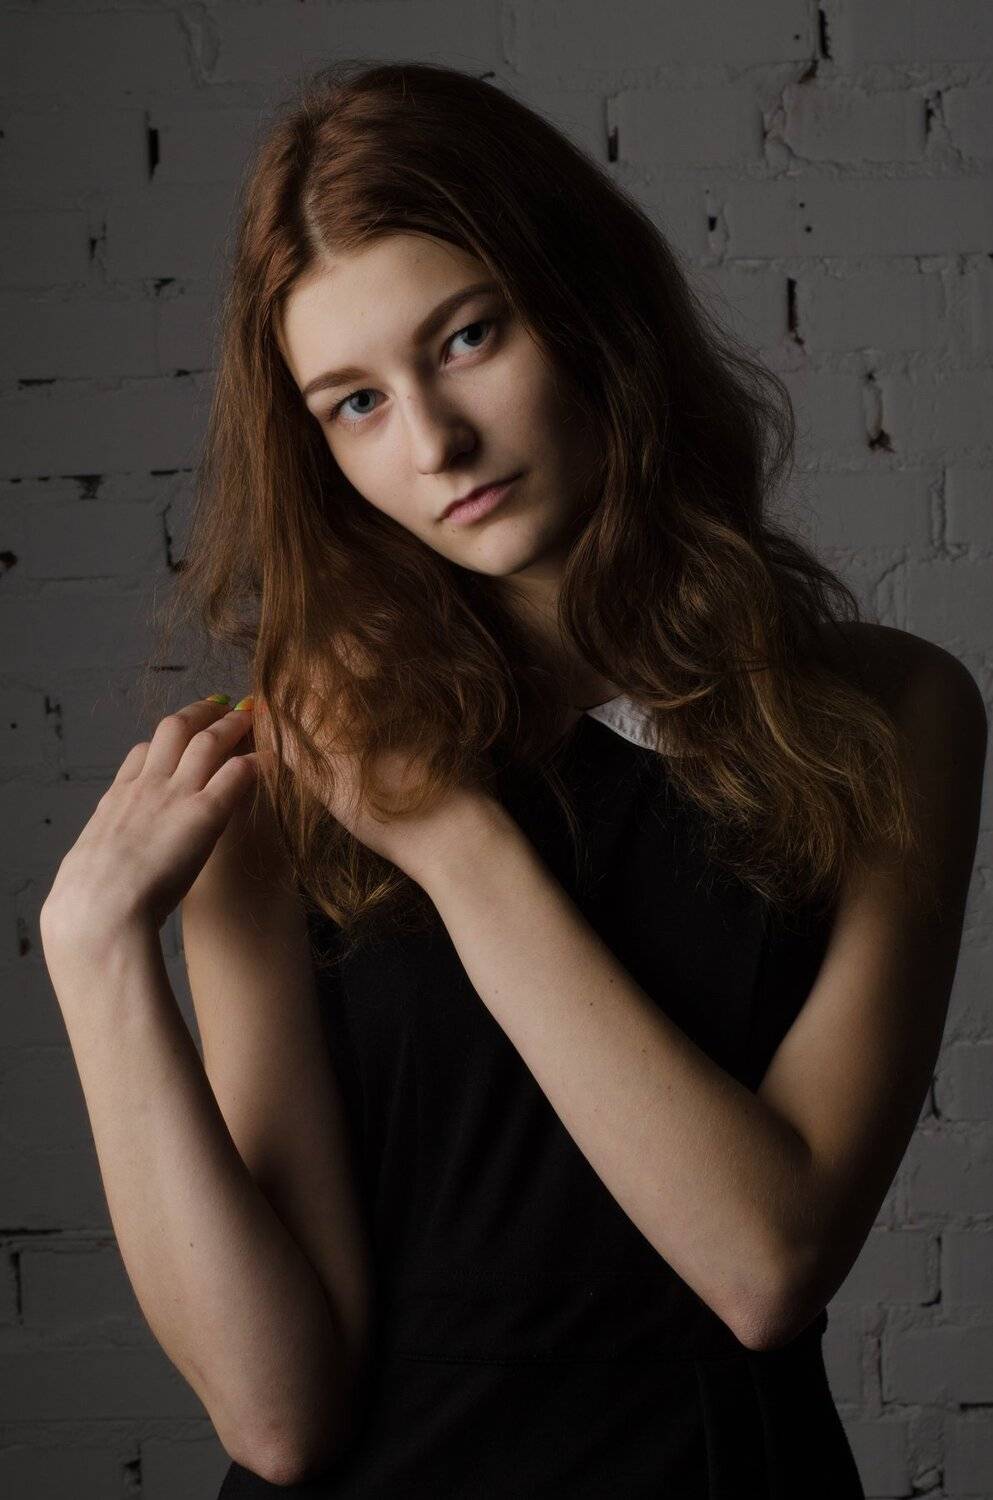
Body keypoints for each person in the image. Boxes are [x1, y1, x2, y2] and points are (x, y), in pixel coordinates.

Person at [40, 60, 987, 1499]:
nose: (435, 443)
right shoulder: (286, 775)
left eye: (467, 336)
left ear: (588, 303)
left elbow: (765, 1263)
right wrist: (95, 954)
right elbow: (277, 1419)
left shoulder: (890, 711)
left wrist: (458, 846)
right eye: (355, 403)